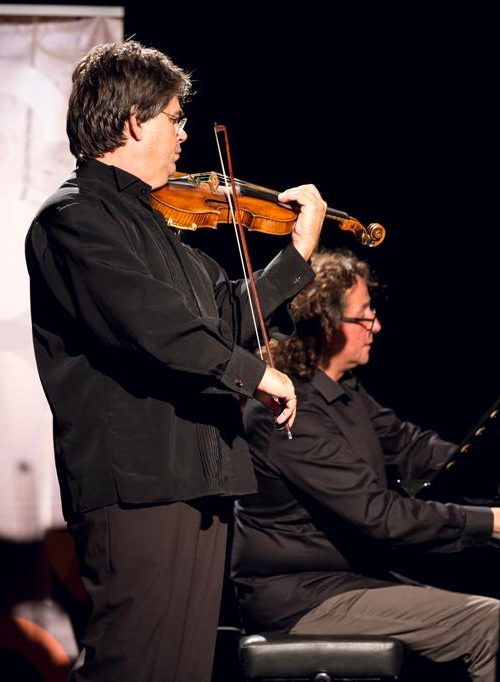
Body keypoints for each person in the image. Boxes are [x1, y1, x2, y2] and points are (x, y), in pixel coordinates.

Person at [25, 40, 326, 682]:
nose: (184, 134)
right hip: (138, 485)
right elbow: (152, 329)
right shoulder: (75, 218)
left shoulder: (166, 231)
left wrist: (296, 257)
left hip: (199, 475)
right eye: (175, 118)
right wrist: (254, 375)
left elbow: (225, 322)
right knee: (133, 667)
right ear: (135, 121)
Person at [231, 248, 500, 682]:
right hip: (302, 598)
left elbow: (413, 446)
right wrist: (490, 522)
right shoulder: (287, 412)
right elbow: (380, 516)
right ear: (327, 325)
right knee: (491, 622)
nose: (376, 325)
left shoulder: (342, 391)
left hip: (350, 580)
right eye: (364, 315)